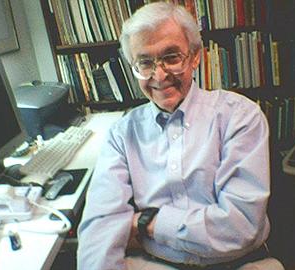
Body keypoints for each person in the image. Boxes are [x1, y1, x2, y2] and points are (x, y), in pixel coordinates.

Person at [77, 2, 284, 270]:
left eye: (172, 57)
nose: (159, 75)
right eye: (145, 62)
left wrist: (146, 223)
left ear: (195, 56)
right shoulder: (121, 133)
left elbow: (239, 227)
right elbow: (101, 226)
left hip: (238, 263)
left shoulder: (240, 116)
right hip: (157, 263)